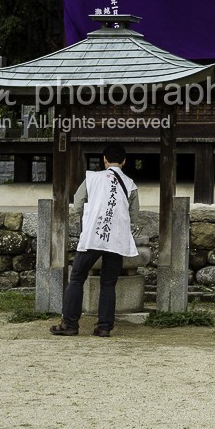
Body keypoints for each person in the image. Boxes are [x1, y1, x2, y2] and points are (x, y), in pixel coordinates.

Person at [51, 143, 139, 338]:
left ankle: (70, 323)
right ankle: (104, 326)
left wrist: (90, 219)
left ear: (104, 160)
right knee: (108, 283)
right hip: (116, 238)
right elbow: (134, 216)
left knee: (77, 278)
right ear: (124, 162)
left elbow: (78, 203)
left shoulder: (92, 178)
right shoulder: (131, 184)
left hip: (93, 236)